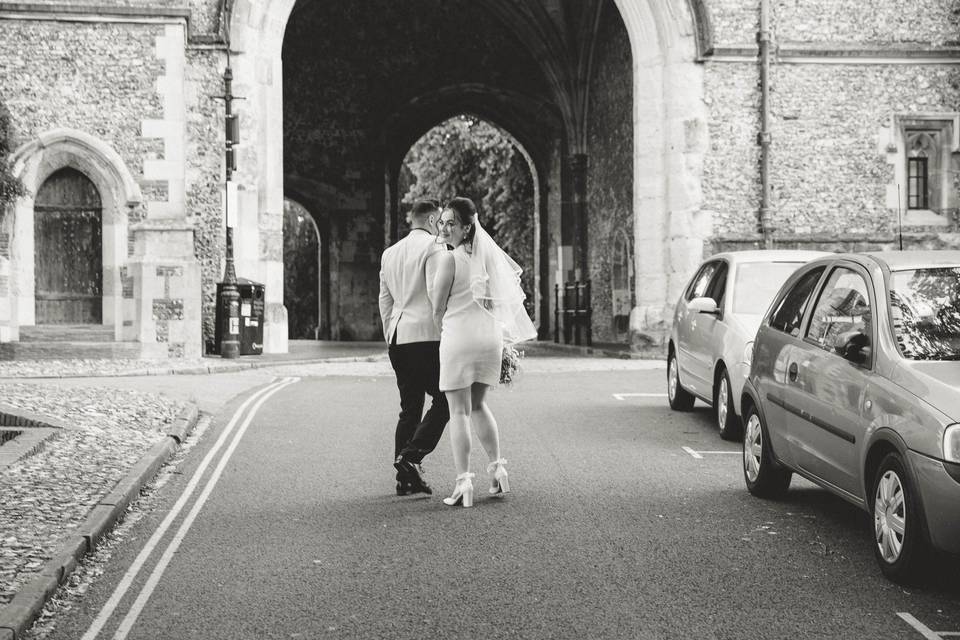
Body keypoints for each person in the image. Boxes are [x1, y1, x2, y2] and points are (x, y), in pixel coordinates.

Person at [431, 197, 537, 508]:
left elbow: (437, 307)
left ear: (466, 228)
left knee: (458, 412)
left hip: (459, 338)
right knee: (478, 405)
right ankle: (498, 470)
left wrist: (443, 331)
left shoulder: (449, 261)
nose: (445, 228)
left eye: (453, 223)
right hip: (488, 338)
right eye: (443, 222)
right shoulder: (489, 260)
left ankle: (463, 482)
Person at [378, 199, 450, 496]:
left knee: (410, 408)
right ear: (432, 219)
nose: (443, 227)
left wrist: (389, 333)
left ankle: (404, 481)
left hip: (398, 336)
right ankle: (411, 456)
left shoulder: (390, 253)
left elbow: (385, 299)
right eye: (441, 221)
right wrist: (448, 332)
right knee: (447, 399)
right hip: (426, 336)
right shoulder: (434, 246)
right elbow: (436, 294)